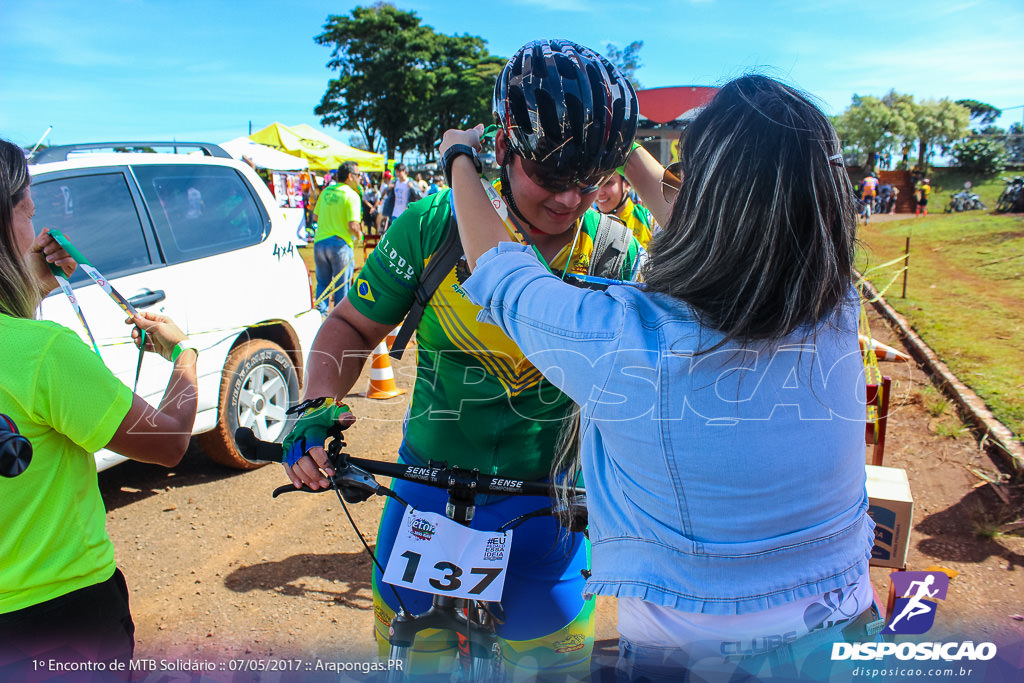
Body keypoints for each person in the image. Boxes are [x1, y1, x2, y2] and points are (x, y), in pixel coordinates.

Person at [444, 74, 878, 680]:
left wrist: (457, 157)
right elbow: (730, 237)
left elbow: (503, 274)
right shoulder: (833, 311)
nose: (672, 185)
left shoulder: (627, 342)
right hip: (848, 633)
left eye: (684, 175)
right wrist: (615, 140)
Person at [282, 39, 642, 679]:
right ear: (501, 148)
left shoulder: (614, 252)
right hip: (426, 497)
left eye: (589, 182)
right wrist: (313, 407)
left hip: (550, 513)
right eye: (552, 175)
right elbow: (350, 324)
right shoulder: (432, 225)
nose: (568, 201)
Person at [0, 138, 199, 676]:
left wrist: (32, 287)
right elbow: (169, 443)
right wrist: (184, 357)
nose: (33, 227)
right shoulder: (43, 353)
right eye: (27, 212)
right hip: (62, 611)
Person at [312, 161, 362, 314]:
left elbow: (315, 216)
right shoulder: (351, 195)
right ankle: (340, 321)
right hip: (340, 245)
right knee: (342, 286)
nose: (360, 178)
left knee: (323, 284)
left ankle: (320, 317)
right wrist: (360, 235)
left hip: (320, 243)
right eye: (358, 175)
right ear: (349, 176)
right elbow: (353, 226)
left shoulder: (327, 192)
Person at [594, 169, 657, 248]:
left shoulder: (650, 220)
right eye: (595, 183)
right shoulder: (589, 223)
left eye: (607, 183)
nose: (599, 193)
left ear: (627, 184)